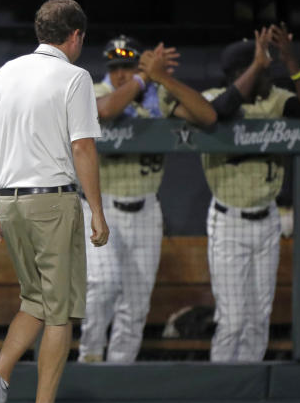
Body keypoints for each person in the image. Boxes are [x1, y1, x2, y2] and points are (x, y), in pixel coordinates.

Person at [0, 0, 107, 403]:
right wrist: (97, 211)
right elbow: (83, 148)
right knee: (61, 311)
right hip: (52, 201)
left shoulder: (6, 72)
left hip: (9, 202)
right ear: (76, 36)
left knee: (36, 300)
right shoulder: (76, 77)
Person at [78, 35, 216, 363]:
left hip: (145, 209)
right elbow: (107, 110)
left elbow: (206, 117)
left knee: (136, 302)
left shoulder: (157, 97)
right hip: (101, 207)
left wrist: (162, 78)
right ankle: (91, 357)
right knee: (104, 284)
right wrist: (143, 77)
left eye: (129, 66)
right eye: (116, 68)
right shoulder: (95, 91)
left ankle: (120, 371)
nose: (122, 74)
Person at [202, 25, 300, 362]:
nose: (268, 74)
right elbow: (220, 111)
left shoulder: (276, 100)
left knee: (257, 319)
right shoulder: (210, 98)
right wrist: (257, 66)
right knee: (233, 319)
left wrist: (290, 61)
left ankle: (249, 399)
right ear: (238, 73)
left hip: (267, 219)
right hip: (228, 219)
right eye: (259, 68)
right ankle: (222, 392)